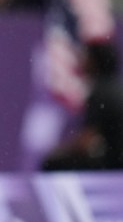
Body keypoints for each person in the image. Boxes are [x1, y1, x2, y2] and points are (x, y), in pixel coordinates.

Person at [42, 40, 123, 171]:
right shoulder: (117, 88)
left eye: (86, 57)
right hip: (117, 159)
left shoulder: (100, 93)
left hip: (114, 162)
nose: (82, 62)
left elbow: (86, 140)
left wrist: (61, 150)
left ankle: (61, 192)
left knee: (51, 163)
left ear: (95, 62)